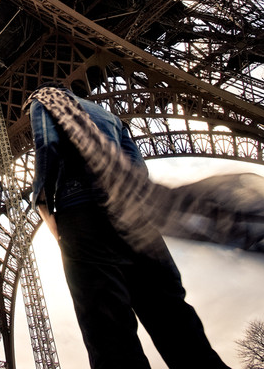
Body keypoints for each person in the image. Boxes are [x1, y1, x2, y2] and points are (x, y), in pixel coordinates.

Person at [28, 80, 230, 369]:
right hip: (135, 215)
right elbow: (137, 167)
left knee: (108, 328)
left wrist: (42, 201)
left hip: (82, 211)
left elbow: (48, 144)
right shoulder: (107, 114)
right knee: (173, 317)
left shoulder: (43, 99)